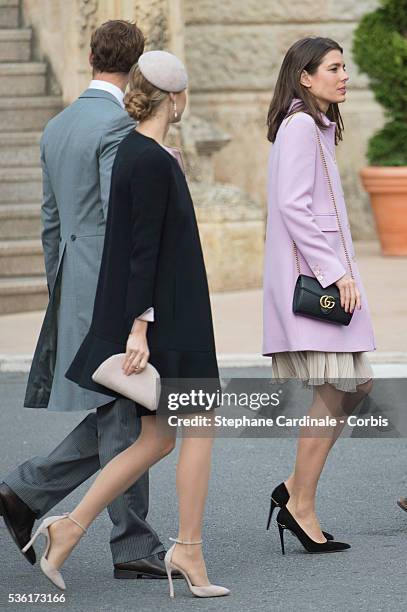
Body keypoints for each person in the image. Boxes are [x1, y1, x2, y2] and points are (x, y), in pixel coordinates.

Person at [22, 50, 229, 600]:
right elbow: (141, 249)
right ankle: (189, 549)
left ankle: (66, 529)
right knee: (200, 428)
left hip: (164, 312)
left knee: (157, 439)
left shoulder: (142, 152)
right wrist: (139, 328)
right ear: (176, 98)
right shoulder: (151, 159)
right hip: (172, 316)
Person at [0, 20, 172, 579]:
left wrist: (61, 287)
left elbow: (50, 221)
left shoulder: (57, 125)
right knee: (130, 406)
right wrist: (136, 307)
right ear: (138, 64)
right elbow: (122, 216)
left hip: (76, 280)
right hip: (113, 286)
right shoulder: (120, 126)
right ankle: (124, 541)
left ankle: (32, 497)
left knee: (122, 409)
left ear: (92, 58)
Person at [262, 37, 375, 553]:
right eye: (334, 67)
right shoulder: (301, 125)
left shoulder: (317, 126)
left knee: (353, 387)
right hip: (321, 283)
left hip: (330, 277)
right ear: (305, 77)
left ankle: (293, 490)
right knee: (337, 388)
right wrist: (334, 273)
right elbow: (292, 207)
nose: (344, 75)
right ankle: (301, 505)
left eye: (344, 67)